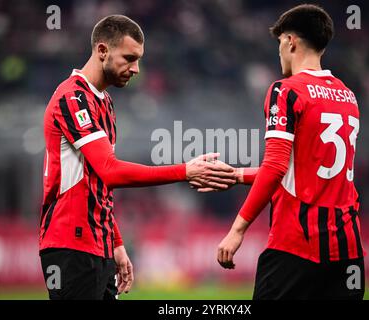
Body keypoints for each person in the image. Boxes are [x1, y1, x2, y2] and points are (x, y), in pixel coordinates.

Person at [40, 15, 236, 300]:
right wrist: (185, 171)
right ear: (102, 50)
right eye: (129, 58)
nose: (136, 69)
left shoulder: (103, 103)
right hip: (70, 245)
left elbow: (98, 185)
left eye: (139, 59)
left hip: (98, 244)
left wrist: (116, 243)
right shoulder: (72, 98)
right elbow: (111, 172)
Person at [214, 4, 366, 300]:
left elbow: (275, 167)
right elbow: (305, 173)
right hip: (348, 250)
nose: (279, 51)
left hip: (297, 246)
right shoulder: (348, 95)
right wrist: (237, 175)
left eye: (279, 43)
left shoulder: (286, 91)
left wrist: (238, 229)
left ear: (290, 41)